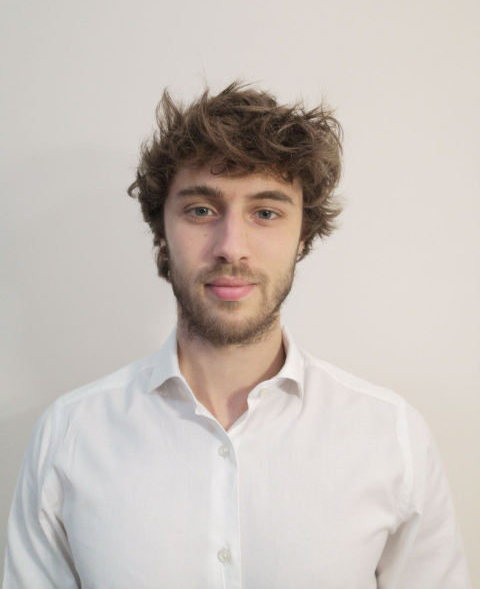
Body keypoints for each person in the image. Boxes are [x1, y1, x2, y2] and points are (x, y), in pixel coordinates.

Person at [3, 81, 471, 588]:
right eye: (201, 210)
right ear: (161, 231)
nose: (231, 247)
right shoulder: (70, 436)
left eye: (266, 213)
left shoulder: (391, 436)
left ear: (303, 236)